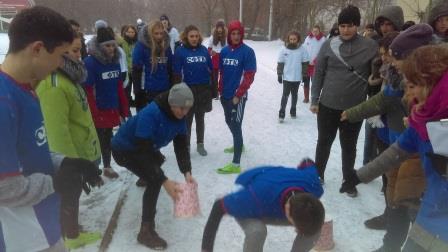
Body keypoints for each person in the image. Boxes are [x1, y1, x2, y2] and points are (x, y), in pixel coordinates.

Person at [0, 6, 102, 251]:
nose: (61, 64)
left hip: (45, 224)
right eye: (60, 55)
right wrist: (56, 183)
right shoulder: (4, 103)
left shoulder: (27, 88)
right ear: (37, 49)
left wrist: (66, 163)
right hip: (22, 238)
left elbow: (32, 150)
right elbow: (4, 188)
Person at [344, 44, 448, 252]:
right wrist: (360, 175)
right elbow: (395, 152)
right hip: (431, 213)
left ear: (432, 83)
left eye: (412, 86)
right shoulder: (422, 117)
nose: (408, 94)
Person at [36, 31, 104, 249]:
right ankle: (70, 237)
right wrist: (73, 166)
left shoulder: (70, 78)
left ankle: (71, 231)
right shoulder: (54, 85)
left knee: (73, 197)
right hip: (70, 157)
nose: (80, 55)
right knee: (69, 196)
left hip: (81, 150)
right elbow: (57, 133)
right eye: (75, 51)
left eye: (80, 50)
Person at [111, 83, 195, 250]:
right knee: (155, 179)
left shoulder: (179, 117)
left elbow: (180, 145)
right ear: (171, 103)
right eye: (181, 108)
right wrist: (163, 179)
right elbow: (143, 152)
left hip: (146, 146)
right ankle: (145, 231)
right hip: (124, 149)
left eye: (187, 109)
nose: (184, 113)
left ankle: (145, 176)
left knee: (156, 163)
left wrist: (187, 171)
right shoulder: (151, 113)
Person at [310, 5, 378, 197]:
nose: (346, 29)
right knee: (324, 142)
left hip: (354, 108)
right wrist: (315, 100)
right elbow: (319, 74)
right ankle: (318, 176)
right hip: (327, 106)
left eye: (350, 25)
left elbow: (378, 71)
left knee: (349, 147)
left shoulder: (370, 46)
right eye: (342, 25)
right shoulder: (328, 44)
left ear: (357, 25)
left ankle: (349, 180)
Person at [202, 159, 325, 252]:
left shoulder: (314, 185)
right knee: (257, 231)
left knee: (313, 229)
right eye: (297, 227)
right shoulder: (252, 198)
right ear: (287, 210)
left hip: (274, 187)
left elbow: (307, 162)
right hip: (252, 193)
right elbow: (218, 206)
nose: (296, 230)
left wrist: (291, 175)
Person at [84, 27, 129, 179]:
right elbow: (88, 90)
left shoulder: (115, 62)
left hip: (111, 107)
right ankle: (92, 169)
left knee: (107, 138)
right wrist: (94, 112)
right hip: (98, 109)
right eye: (107, 45)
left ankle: (107, 167)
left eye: (113, 45)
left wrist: (124, 108)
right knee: (95, 140)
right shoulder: (90, 63)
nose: (111, 48)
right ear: (100, 46)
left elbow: (119, 88)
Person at [217, 20, 257, 174]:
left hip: (237, 97)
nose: (235, 36)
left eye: (238, 33)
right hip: (225, 95)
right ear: (229, 35)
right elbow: (222, 73)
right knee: (229, 121)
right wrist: (220, 90)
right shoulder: (225, 51)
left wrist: (238, 95)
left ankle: (235, 164)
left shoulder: (248, 52)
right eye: (233, 33)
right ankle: (238, 144)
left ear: (242, 35)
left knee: (236, 124)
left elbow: (249, 76)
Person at [173, 25, 213, 156]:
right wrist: (177, 93)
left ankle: (200, 144)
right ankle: (186, 145)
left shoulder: (204, 50)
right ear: (186, 37)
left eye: (196, 36)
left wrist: (213, 89)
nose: (194, 38)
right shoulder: (180, 51)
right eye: (191, 36)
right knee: (187, 120)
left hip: (202, 89)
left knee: (200, 118)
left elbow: (210, 70)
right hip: (187, 89)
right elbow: (177, 74)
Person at [132, 20, 173, 112]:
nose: (159, 36)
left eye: (161, 33)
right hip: (147, 90)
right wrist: (137, 90)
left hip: (164, 88)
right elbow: (136, 69)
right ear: (150, 33)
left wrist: (171, 85)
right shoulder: (141, 46)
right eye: (156, 33)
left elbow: (170, 67)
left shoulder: (166, 45)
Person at [277, 30, 310, 122]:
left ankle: (293, 110)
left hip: (296, 77)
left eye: (294, 39)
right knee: (285, 95)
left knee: (294, 95)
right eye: (291, 39)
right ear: (288, 39)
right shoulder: (284, 49)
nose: (292, 41)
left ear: (298, 39)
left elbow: (305, 63)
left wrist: (304, 75)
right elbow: (280, 63)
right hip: (287, 77)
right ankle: (282, 112)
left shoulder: (302, 49)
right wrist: (279, 74)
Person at [303, 25, 325, 103]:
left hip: (316, 65)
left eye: (316, 31)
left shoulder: (323, 40)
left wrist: (317, 60)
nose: (315, 33)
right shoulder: (308, 38)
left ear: (319, 31)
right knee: (306, 81)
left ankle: (314, 98)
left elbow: (323, 52)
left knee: (314, 83)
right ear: (311, 31)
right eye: (313, 31)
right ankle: (306, 98)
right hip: (307, 64)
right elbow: (304, 49)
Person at [207, 19, 227, 99]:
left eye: (221, 27)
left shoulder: (226, 37)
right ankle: (215, 93)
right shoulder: (212, 37)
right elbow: (209, 49)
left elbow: (228, 48)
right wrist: (211, 52)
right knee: (214, 78)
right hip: (214, 58)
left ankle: (221, 91)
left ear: (223, 28)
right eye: (218, 27)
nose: (219, 29)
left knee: (222, 77)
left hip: (223, 58)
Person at [120, 24, 138, 108]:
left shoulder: (137, 42)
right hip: (127, 70)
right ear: (125, 32)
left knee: (137, 90)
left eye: (132, 32)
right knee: (127, 90)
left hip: (136, 69)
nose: (130, 33)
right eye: (129, 32)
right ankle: (127, 108)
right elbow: (124, 57)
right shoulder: (123, 43)